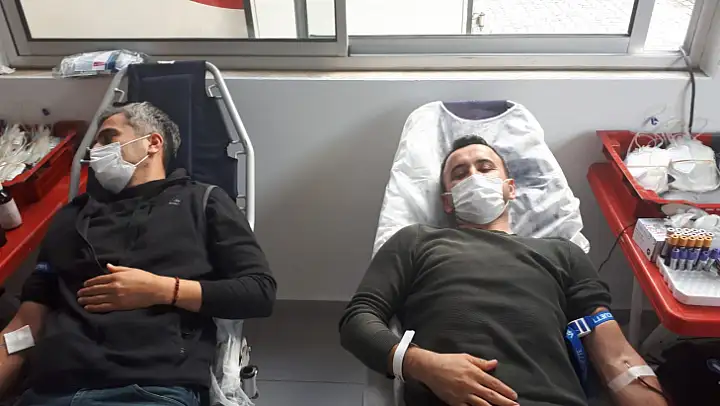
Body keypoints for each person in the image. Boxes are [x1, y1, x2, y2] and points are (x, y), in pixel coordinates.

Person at [339, 135, 666, 406]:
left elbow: (618, 359)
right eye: (460, 174)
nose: (474, 177)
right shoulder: (416, 241)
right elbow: (358, 319)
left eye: (485, 168)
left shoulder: (562, 253)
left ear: (510, 188)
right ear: (448, 201)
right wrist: (423, 365)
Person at [0, 102, 277, 406]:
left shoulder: (202, 202)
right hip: (49, 391)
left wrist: (162, 290)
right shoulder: (71, 216)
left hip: (150, 388)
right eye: (94, 145)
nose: (95, 152)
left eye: (108, 138)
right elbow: (27, 323)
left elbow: (259, 291)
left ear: (153, 143)